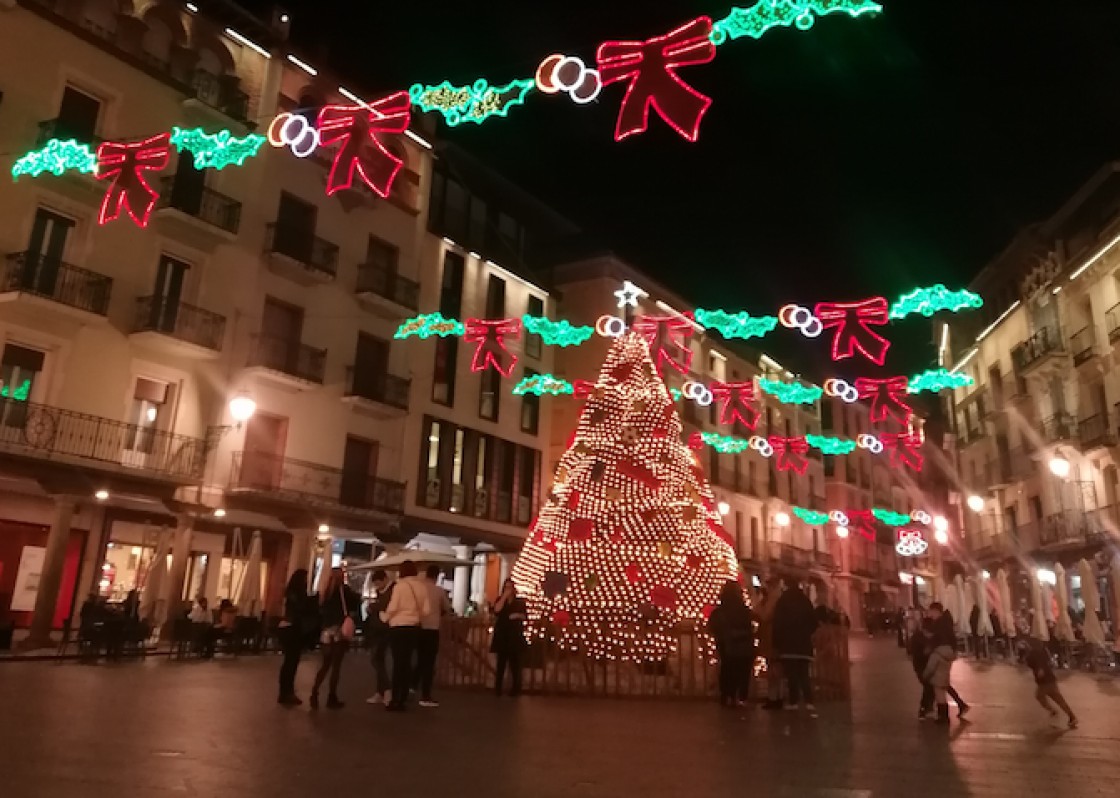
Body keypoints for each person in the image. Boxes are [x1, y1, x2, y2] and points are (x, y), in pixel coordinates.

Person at [381, 560, 431, 712]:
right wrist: (415, 615)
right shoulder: (422, 586)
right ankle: (403, 696)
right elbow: (427, 610)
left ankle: (396, 699)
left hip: (398, 627)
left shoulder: (400, 586)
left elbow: (393, 606)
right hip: (413, 627)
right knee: (408, 661)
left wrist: (384, 616)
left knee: (398, 663)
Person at [310, 568, 359, 710]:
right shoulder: (344, 590)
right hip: (338, 631)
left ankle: (314, 692)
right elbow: (356, 600)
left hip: (326, 631)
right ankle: (332, 697)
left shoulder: (325, 592)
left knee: (325, 665)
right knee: (336, 666)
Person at [772, 580, 819, 717]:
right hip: (803, 644)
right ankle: (809, 701)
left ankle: (793, 701)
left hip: (787, 645)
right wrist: (806, 632)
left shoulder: (782, 601)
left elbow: (777, 624)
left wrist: (777, 643)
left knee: (791, 674)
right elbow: (814, 622)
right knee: (804, 674)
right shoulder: (805, 601)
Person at [708, 580, 756, 708]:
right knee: (742, 671)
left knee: (727, 669)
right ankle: (741, 697)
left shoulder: (720, 610)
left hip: (727, 644)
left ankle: (727, 695)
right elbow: (750, 626)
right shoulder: (744, 610)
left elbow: (713, 626)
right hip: (744, 645)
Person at [927, 602, 969, 719]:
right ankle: (960, 705)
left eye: (931, 611)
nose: (930, 614)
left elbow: (939, 638)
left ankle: (943, 714)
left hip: (941, 654)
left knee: (939, 684)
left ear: (936, 611)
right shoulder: (944, 622)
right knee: (943, 683)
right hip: (946, 653)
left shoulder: (940, 624)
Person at [416, 564, 451, 708]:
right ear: (437, 576)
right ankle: (425, 694)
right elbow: (447, 608)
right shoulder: (438, 591)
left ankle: (412, 685)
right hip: (432, 629)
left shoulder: (418, 588)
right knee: (429, 663)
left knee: (418, 659)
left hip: (418, 627)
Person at [1025, 637, 1077, 728]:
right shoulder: (1043, 651)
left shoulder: (1034, 653)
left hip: (1045, 681)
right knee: (1057, 699)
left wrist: (1040, 670)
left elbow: (1033, 663)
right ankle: (1070, 716)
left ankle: (1064, 714)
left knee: (1044, 696)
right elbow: (1046, 662)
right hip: (1049, 679)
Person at [278, 569, 309, 706]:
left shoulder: (290, 593)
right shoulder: (296, 594)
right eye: (305, 578)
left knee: (289, 662)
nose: (306, 581)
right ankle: (287, 692)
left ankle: (284, 692)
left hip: (287, 628)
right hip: (292, 629)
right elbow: (300, 609)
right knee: (291, 662)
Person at [491, 579, 527, 696]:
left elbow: (525, 615)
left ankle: (515, 690)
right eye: (506, 587)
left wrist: (517, 615)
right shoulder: (500, 600)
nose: (508, 590)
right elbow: (496, 610)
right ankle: (498, 689)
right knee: (500, 664)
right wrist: (503, 597)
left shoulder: (519, 602)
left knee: (515, 665)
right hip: (502, 634)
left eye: (510, 587)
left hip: (514, 635)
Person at [365, 570, 394, 706]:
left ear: (384, 579)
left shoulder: (393, 589)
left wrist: (373, 606)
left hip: (385, 629)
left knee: (376, 659)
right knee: (378, 660)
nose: (377, 586)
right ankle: (380, 691)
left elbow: (386, 605)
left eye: (378, 583)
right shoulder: (381, 592)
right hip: (377, 629)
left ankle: (387, 690)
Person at [756, 578, 784, 709]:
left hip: (772, 637)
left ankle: (775, 697)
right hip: (771, 637)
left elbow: (764, 615)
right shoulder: (773, 598)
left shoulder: (774, 599)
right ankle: (775, 696)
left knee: (774, 670)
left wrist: (760, 605)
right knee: (773, 668)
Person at [909, 618, 934, 720]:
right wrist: (925, 652)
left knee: (930, 686)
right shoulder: (918, 638)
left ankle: (928, 708)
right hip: (921, 666)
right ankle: (924, 709)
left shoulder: (927, 637)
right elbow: (914, 652)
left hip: (928, 665)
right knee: (928, 686)